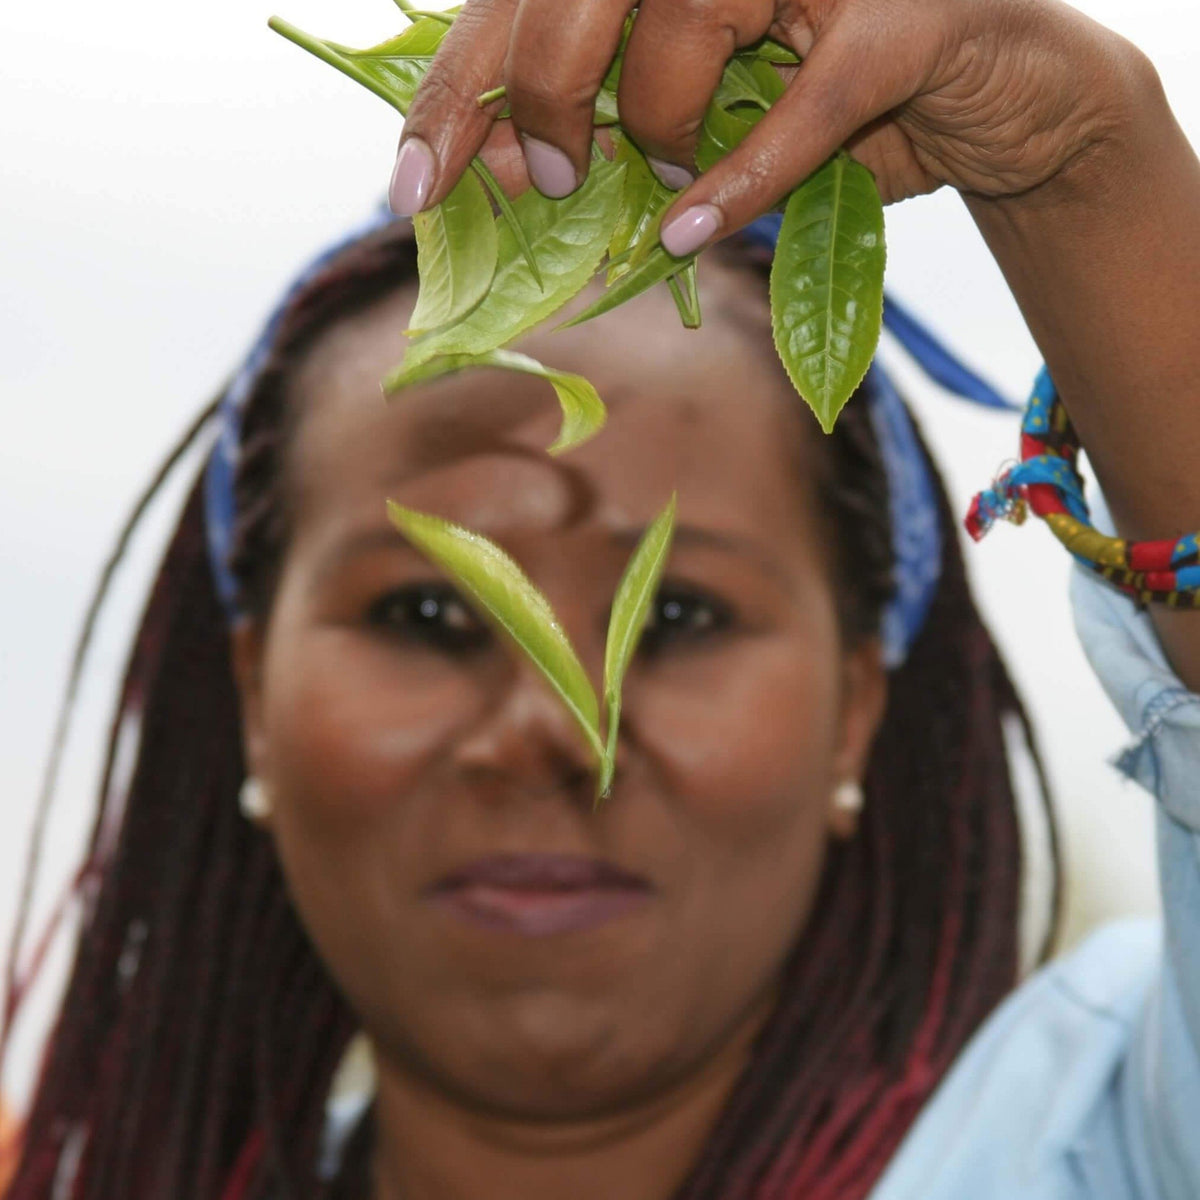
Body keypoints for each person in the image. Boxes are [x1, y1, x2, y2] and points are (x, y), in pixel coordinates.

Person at [3, 0, 1199, 1197]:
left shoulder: (1102, 1144)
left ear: (854, 704)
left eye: (678, 616)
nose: (552, 732)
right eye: (425, 615)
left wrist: (1082, 172)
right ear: (256, 692)